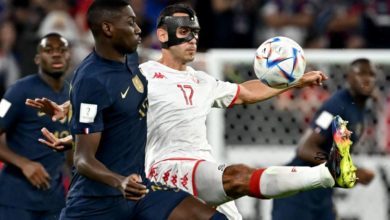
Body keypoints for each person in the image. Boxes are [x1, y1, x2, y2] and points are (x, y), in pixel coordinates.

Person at [27, 3, 357, 220]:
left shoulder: (203, 80)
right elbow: (106, 104)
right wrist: (69, 111)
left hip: (202, 166)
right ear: (163, 35)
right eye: (184, 32)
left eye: (196, 33)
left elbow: (247, 92)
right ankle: (327, 174)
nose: (192, 40)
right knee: (239, 176)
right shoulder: (146, 74)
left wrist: (295, 82)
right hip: (164, 169)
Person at [31, 1, 228, 219]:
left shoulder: (131, 60)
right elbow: (83, 159)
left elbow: (117, 112)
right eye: (131, 22)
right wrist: (120, 181)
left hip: (140, 193)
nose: (138, 28)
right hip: (98, 204)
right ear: (108, 29)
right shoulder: (92, 80)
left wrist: (71, 122)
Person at [272, 58, 376, 220]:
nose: (367, 78)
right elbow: (305, 149)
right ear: (348, 78)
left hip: (320, 194)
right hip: (296, 193)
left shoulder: (360, 109)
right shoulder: (336, 106)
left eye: (371, 74)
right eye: (360, 73)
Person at [0, 32, 71, 220]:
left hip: (54, 200)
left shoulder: (73, 94)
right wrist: (24, 163)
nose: (56, 54)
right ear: (38, 58)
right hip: (16, 199)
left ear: (69, 56)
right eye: (49, 50)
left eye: (62, 50)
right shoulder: (19, 90)